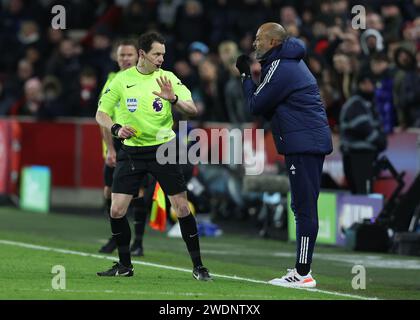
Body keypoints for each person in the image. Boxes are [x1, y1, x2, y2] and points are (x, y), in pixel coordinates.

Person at [95, 31, 211, 280]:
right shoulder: (121, 80)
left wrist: (175, 99)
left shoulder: (168, 78)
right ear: (142, 54)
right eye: (157, 54)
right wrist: (115, 128)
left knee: (181, 206)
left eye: (163, 54)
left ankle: (199, 266)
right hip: (132, 150)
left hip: (163, 150)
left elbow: (192, 109)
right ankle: (125, 265)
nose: (161, 59)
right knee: (116, 210)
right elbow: (101, 113)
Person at [236, 22, 332, 288]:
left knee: (304, 207)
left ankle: (303, 274)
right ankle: (302, 269)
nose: (255, 43)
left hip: (304, 144)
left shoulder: (282, 67)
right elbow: (269, 107)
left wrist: (245, 78)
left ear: (274, 42)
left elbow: (256, 105)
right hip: (304, 142)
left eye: (259, 38)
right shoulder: (285, 63)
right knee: (302, 206)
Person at [98, 39, 152, 257]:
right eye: (121, 55)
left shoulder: (147, 78)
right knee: (109, 191)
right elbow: (103, 116)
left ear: (138, 56)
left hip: (139, 144)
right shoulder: (112, 80)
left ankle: (138, 242)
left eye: (129, 55)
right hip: (117, 142)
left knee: (139, 193)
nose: (125, 59)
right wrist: (110, 149)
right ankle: (116, 236)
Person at [339, 74, 387, 194]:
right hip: (358, 156)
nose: (372, 86)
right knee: (362, 193)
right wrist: (380, 141)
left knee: (362, 192)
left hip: (362, 156)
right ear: (361, 84)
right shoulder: (356, 103)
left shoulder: (367, 103)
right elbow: (363, 127)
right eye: (368, 83)